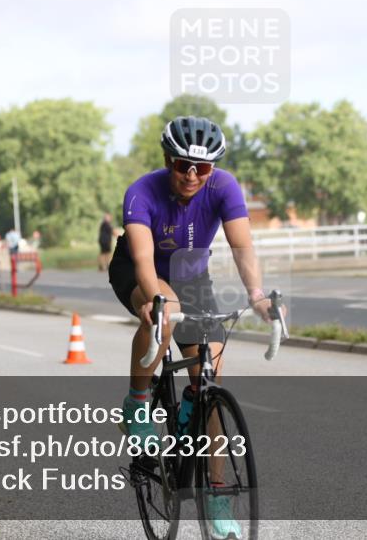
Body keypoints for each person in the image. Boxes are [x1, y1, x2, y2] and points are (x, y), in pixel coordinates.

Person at [108, 115, 276, 539]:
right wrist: (157, 301)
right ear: (168, 159)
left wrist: (256, 295)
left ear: (213, 168)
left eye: (202, 168)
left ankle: (216, 492)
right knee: (166, 310)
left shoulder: (224, 187)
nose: (191, 175)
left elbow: (242, 246)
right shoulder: (141, 192)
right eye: (183, 164)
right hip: (139, 270)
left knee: (210, 382)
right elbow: (145, 262)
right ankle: (137, 401)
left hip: (192, 275)